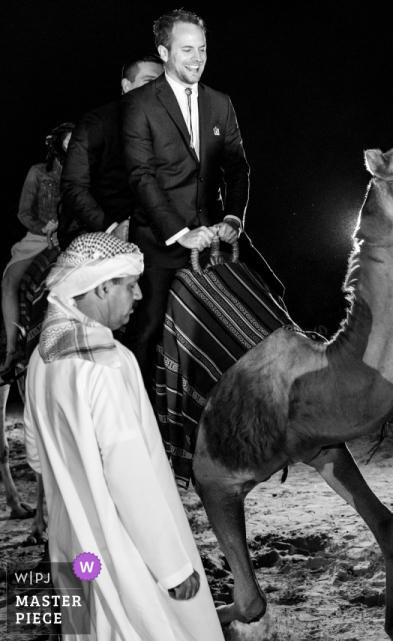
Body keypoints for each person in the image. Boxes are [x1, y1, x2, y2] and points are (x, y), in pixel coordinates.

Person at [22, 233, 223, 640]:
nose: (137, 296)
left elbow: (35, 456)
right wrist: (171, 567)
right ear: (101, 287)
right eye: (130, 285)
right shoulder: (108, 364)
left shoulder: (42, 354)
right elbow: (130, 477)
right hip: (121, 550)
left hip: (70, 546)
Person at [120, 8, 283, 395]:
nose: (197, 59)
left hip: (215, 235)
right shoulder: (139, 104)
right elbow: (140, 177)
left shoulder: (221, 102)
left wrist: (232, 218)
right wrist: (180, 233)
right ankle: (140, 420)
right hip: (162, 240)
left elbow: (238, 167)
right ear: (163, 52)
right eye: (187, 49)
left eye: (202, 49)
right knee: (146, 329)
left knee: (271, 294)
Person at [58, 54, 164, 249]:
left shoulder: (168, 126)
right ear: (126, 86)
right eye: (149, 81)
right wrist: (111, 227)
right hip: (92, 230)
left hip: (146, 232)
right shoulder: (96, 123)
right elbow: (73, 186)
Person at [2, 123, 73, 382]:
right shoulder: (37, 173)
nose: (71, 148)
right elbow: (23, 212)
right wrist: (44, 227)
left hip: (67, 236)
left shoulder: (81, 172)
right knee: (10, 281)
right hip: (37, 237)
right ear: (55, 146)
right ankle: (11, 349)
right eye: (67, 143)